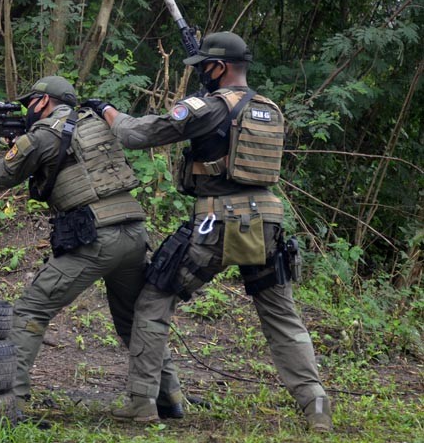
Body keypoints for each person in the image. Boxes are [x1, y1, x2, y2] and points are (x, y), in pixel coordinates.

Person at [82, 32, 333, 432]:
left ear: (220, 68)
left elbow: (137, 135)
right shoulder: (269, 108)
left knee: (153, 299)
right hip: (268, 223)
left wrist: (107, 110)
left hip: (217, 222)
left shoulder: (211, 107)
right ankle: (316, 406)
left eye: (204, 67)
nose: (200, 74)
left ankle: (142, 402)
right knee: (282, 316)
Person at [0, 76, 185, 421]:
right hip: (134, 231)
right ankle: (166, 398)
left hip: (96, 238)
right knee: (134, 320)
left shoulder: (43, 135)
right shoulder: (96, 122)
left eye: (30, 104)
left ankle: (13, 401)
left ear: (42, 102)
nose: (27, 110)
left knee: (29, 311)